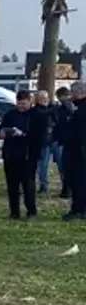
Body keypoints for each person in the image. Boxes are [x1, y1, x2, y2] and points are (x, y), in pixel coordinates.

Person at [0, 90, 40, 219]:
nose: (21, 106)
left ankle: (31, 211)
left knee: (28, 185)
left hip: (27, 155)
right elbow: (0, 129)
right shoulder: (10, 114)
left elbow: (39, 136)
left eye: (23, 103)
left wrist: (23, 134)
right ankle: (14, 212)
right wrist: (2, 132)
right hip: (11, 155)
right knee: (12, 185)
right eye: (19, 103)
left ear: (30, 102)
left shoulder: (36, 115)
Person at [63, 81, 86, 220]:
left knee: (79, 181)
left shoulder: (81, 109)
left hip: (80, 151)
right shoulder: (76, 107)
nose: (70, 95)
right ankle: (77, 208)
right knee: (74, 180)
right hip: (74, 149)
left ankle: (79, 209)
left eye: (72, 92)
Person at [51, 86, 75, 198]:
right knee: (64, 166)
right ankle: (67, 188)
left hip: (64, 140)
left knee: (65, 166)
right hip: (62, 140)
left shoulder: (68, 107)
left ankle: (67, 189)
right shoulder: (62, 108)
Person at [34, 90, 56, 194]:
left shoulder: (51, 109)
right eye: (42, 98)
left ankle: (67, 187)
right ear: (37, 99)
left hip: (54, 140)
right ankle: (44, 186)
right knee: (43, 165)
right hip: (43, 142)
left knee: (62, 165)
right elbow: (42, 115)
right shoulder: (36, 110)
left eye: (46, 97)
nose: (45, 99)